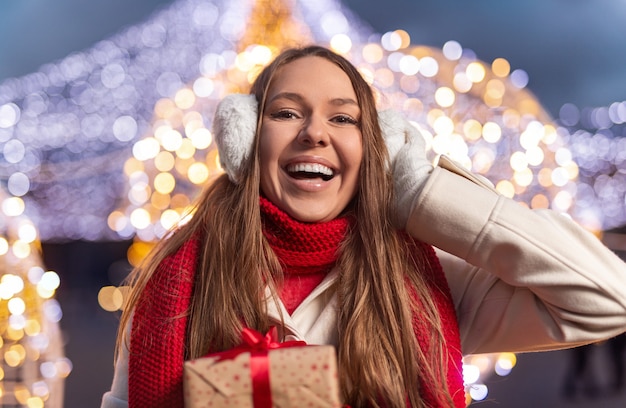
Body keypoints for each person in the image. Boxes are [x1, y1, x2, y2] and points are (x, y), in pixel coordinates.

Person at [101, 45, 626, 408]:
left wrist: (422, 192)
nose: (314, 133)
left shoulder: (430, 284)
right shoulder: (175, 284)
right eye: (286, 113)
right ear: (244, 140)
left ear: (376, 149)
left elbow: (608, 299)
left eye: (343, 118)